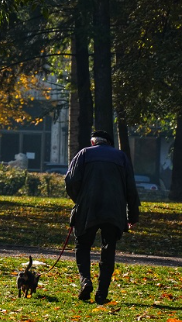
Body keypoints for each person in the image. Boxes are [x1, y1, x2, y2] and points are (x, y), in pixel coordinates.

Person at [64, 130, 140, 305]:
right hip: (114, 210)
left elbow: (70, 180)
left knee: (82, 245)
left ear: (93, 142)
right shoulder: (121, 157)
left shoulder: (84, 154)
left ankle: (85, 281)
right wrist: (133, 215)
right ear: (109, 143)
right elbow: (131, 187)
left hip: (88, 208)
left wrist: (79, 200)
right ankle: (101, 293)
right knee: (108, 249)